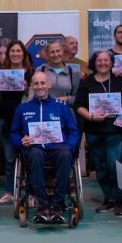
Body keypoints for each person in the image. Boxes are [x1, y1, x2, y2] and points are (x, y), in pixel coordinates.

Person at [11, 73, 80, 223]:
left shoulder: (61, 107)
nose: (39, 86)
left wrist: (68, 146)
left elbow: (73, 132)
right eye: (36, 83)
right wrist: (21, 141)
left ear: (49, 84)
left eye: (42, 83)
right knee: (35, 154)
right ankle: (42, 204)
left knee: (66, 154)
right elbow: (14, 133)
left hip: (58, 148)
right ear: (31, 86)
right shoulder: (22, 109)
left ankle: (57, 203)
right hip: (34, 148)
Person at [74, 51, 122, 214]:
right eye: (99, 60)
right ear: (94, 63)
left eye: (106, 60)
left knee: (113, 165)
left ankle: (119, 199)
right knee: (100, 166)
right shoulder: (86, 83)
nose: (103, 63)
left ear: (111, 63)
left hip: (116, 131)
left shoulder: (120, 81)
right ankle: (108, 198)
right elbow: (78, 106)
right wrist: (91, 116)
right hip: (94, 130)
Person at [0, 40, 35, 204]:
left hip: (26, 120)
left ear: (23, 54)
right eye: (12, 51)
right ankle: (10, 192)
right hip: (5, 118)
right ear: (8, 54)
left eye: (18, 51)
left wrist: (27, 88)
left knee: (30, 157)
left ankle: (31, 193)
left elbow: (38, 95)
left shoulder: (31, 73)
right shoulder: (1, 72)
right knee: (10, 159)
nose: (15, 54)